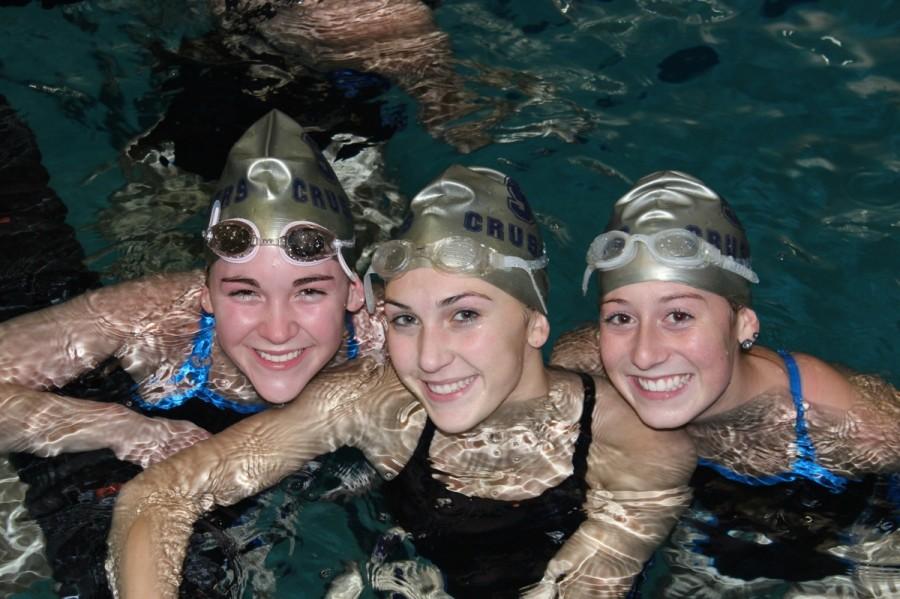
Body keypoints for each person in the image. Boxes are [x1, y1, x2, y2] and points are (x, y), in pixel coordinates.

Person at [106, 165, 697, 598]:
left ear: (535, 324)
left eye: (465, 315)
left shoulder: (636, 444)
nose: (430, 359)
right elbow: (159, 495)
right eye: (406, 321)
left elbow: (584, 587)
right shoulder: (367, 399)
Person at [0, 109, 382, 596]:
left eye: (309, 292)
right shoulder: (158, 317)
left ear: (353, 293)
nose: (278, 329)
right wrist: (123, 429)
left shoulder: (388, 335)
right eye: (245, 293)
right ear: (206, 295)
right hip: (99, 391)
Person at [551, 170, 900, 593]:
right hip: (701, 517)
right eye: (621, 317)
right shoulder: (584, 365)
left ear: (743, 326)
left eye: (678, 316)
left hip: (845, 528)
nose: (644, 354)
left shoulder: (848, 419)